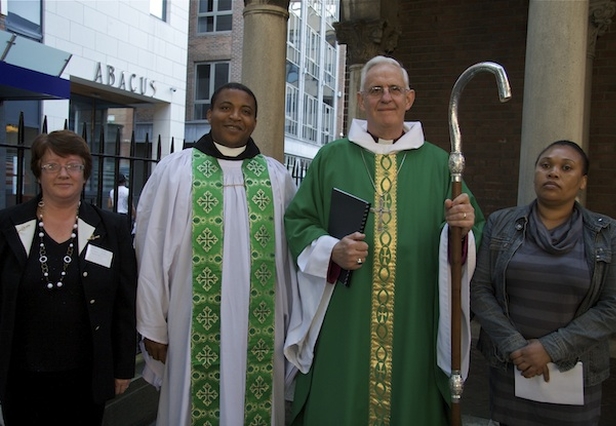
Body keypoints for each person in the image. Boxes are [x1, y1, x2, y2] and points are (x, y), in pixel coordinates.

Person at [283, 55, 484, 425]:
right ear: (361, 100)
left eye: (394, 89)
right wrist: (333, 250)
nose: (386, 97)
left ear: (410, 98)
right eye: (376, 90)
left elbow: (470, 236)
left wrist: (463, 227)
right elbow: (299, 222)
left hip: (415, 313)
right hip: (345, 312)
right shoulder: (332, 157)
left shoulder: (441, 163)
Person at [135, 82, 299, 426]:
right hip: (189, 322)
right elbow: (150, 248)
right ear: (209, 114)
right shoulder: (175, 171)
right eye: (226, 107)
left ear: (255, 121)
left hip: (262, 327)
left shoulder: (276, 177)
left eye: (246, 111)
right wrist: (153, 325)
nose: (235, 116)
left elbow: (290, 261)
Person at [470, 140, 616, 425]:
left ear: (582, 182)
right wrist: (516, 347)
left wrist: (549, 349)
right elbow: (480, 290)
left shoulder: (607, 232)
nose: (553, 173)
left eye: (566, 168)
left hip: (574, 371)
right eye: (545, 165)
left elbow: (614, 306)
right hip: (512, 367)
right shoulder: (501, 223)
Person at [0, 130, 138, 425]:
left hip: (85, 378)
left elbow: (125, 304)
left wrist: (123, 366)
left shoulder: (112, 227)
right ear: (38, 172)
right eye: (51, 166)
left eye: (73, 165)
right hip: (20, 376)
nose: (63, 173)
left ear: (85, 173)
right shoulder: (7, 224)